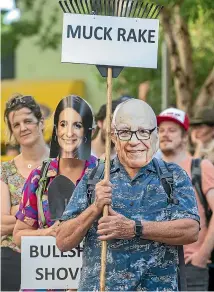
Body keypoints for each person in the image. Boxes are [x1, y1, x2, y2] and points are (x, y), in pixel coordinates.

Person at [56, 99, 199, 291]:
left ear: (154, 136)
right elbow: (63, 241)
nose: (134, 141)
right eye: (125, 133)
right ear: (113, 137)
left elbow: (190, 230)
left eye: (143, 132)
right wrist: (95, 207)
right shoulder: (96, 177)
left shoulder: (173, 176)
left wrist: (134, 228)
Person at [13, 95, 96, 275]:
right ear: (56, 129)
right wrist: (47, 233)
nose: (69, 133)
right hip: (47, 279)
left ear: (88, 130)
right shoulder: (39, 177)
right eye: (63, 124)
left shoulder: (103, 173)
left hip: (90, 279)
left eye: (77, 125)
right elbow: (19, 236)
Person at [157, 107, 214, 291]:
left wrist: (202, 255)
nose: (165, 134)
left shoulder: (201, 167)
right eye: (161, 130)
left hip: (191, 266)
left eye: (172, 130)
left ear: (184, 136)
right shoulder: (149, 172)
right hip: (155, 267)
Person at [1, 94, 49, 291]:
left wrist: (17, 211)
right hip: (13, 254)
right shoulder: (5, 170)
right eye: (16, 124)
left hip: (53, 254)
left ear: (41, 122)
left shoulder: (61, 163)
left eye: (28, 121)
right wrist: (42, 215)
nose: (23, 128)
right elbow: (2, 225)